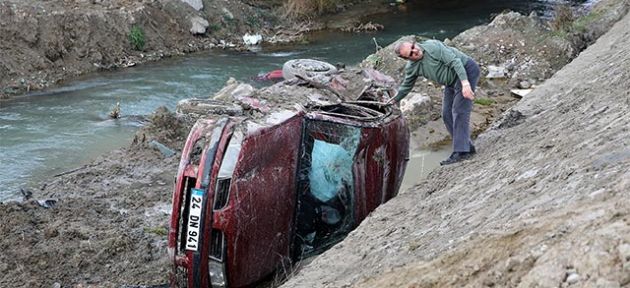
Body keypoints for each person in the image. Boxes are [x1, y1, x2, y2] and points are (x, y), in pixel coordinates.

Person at [388, 39, 481, 165]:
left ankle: (461, 152)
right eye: (410, 54)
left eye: (413, 47)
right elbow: (406, 86)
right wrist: (394, 100)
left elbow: (455, 62)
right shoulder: (412, 67)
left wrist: (465, 84)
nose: (415, 51)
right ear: (407, 59)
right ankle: (466, 146)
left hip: (465, 71)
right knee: (446, 114)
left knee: (459, 111)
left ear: (414, 43)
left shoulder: (433, 47)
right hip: (451, 81)